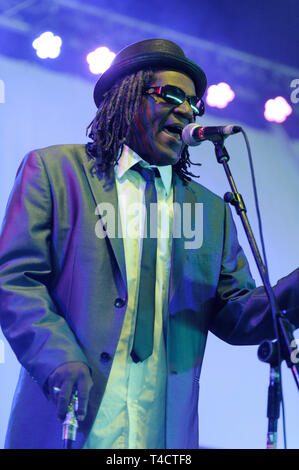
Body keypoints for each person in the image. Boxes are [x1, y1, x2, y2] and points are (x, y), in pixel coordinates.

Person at [0, 38, 298, 450]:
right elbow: (15, 280)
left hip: (160, 434)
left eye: (194, 102)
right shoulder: (54, 172)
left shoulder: (210, 210)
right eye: (170, 94)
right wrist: (58, 359)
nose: (187, 110)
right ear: (124, 97)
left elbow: (239, 315)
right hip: (68, 425)